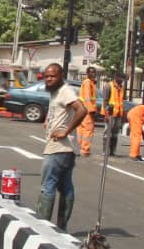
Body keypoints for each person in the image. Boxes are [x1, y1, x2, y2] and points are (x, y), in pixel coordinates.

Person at [37, 63, 88, 230]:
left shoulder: (65, 91)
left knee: (48, 185)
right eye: (47, 76)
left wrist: (66, 131)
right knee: (65, 186)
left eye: (53, 76)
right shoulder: (55, 92)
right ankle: (61, 227)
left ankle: (43, 228)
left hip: (58, 148)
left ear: (61, 76)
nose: (49, 79)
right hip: (67, 149)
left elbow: (82, 110)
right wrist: (49, 121)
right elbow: (60, 112)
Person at [100, 72, 126, 156]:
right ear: (116, 77)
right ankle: (105, 151)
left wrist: (123, 115)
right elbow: (105, 101)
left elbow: (122, 101)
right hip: (110, 113)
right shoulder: (109, 86)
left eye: (123, 79)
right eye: (121, 79)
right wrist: (107, 114)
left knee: (115, 134)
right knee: (107, 133)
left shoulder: (122, 88)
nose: (122, 81)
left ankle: (112, 151)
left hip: (118, 114)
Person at [77, 66, 98, 155]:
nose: (93, 74)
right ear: (87, 73)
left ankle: (79, 148)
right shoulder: (88, 83)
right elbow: (87, 98)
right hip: (87, 110)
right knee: (88, 130)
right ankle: (85, 149)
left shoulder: (90, 83)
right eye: (91, 72)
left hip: (82, 109)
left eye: (94, 72)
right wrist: (91, 110)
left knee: (81, 129)